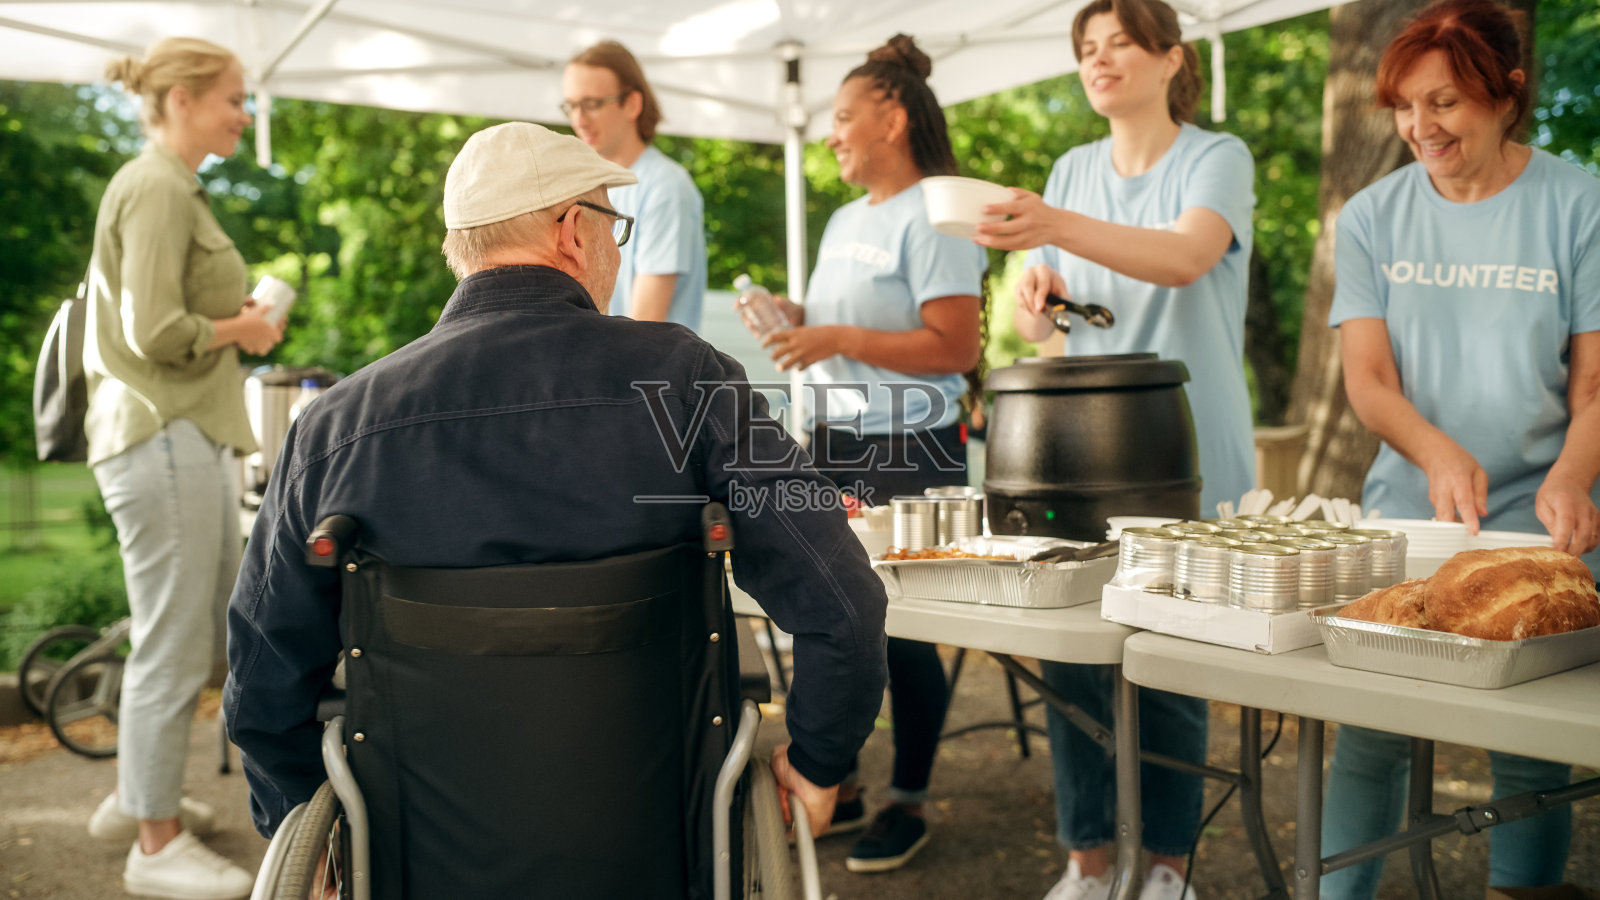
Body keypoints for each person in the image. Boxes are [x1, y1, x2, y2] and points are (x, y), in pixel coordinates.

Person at [224, 122, 889, 870]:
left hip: (421, 860)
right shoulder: (685, 379)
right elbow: (843, 603)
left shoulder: (333, 426)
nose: (618, 246)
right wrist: (820, 760)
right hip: (660, 849)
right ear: (575, 230)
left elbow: (261, 673)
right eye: (616, 224)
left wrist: (297, 821)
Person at [974, 0, 1258, 897]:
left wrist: (1055, 229)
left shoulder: (1216, 158)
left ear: (1171, 58)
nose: (1098, 61)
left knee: (1170, 665)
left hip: (1186, 454)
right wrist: (1037, 303)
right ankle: (1089, 863)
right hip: (1080, 461)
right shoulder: (1070, 169)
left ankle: (1166, 867)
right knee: (1073, 661)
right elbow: (1051, 334)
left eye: (1119, 45)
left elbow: (1183, 257)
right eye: (1086, 49)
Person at [1323, 1, 1600, 896]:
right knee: (1369, 727)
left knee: (1528, 740)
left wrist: (1570, 476)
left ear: (1506, 94)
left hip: (1542, 508)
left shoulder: (1581, 201)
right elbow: (1367, 380)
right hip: (1411, 506)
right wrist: (1438, 454)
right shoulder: (1370, 215)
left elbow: (1593, 384)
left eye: (1443, 102)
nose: (1420, 127)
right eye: (1405, 105)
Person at [749, 34, 985, 874]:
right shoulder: (849, 218)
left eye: (843, 117)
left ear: (892, 114)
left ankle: (909, 800)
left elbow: (955, 345)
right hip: (839, 441)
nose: (831, 134)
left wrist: (837, 334)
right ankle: (838, 786)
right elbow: (844, 321)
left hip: (914, 446)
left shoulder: (938, 213)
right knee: (839, 615)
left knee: (907, 629)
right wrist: (792, 313)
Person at [83, 36, 282, 900]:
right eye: (234, 98)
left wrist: (232, 321)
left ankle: (142, 797)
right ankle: (154, 848)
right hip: (161, 432)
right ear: (182, 100)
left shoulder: (171, 186)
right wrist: (245, 329)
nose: (245, 113)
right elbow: (152, 332)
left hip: (177, 433)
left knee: (194, 632)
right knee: (175, 641)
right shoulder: (158, 186)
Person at [563, 40, 707, 332]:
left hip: (642, 373)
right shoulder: (583, 186)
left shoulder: (665, 187)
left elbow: (644, 327)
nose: (579, 119)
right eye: (571, 106)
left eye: (591, 104)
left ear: (632, 104)